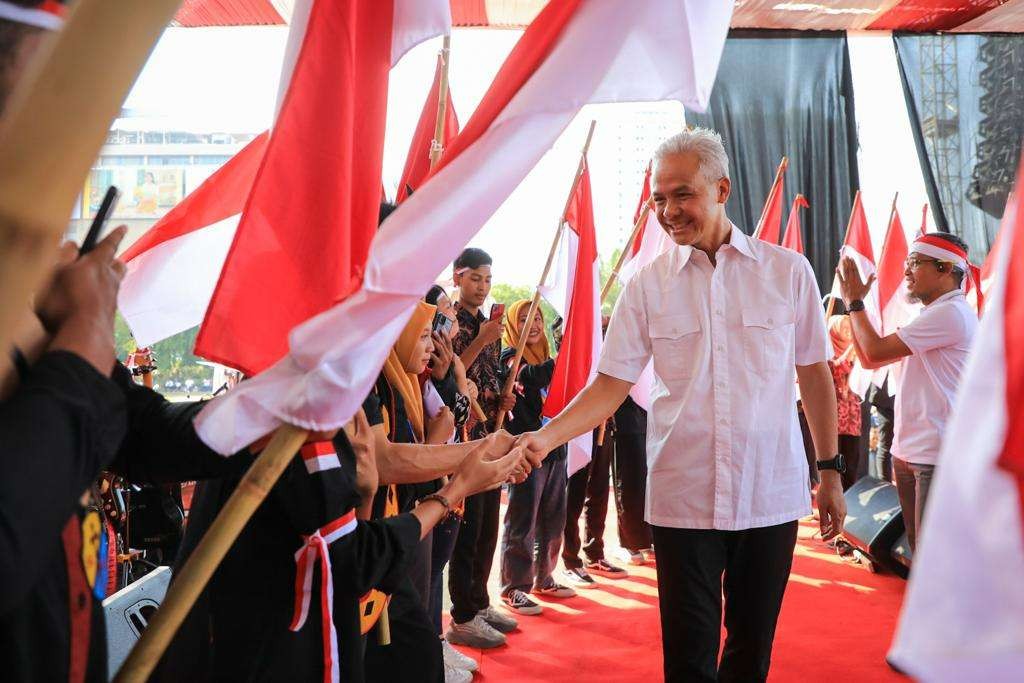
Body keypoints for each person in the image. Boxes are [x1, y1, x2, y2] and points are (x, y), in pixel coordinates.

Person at [517, 128, 845, 683]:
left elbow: (813, 372)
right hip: (683, 497)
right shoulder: (646, 287)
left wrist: (832, 471)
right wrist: (543, 438)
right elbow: (610, 384)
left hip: (768, 493)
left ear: (722, 189)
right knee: (688, 659)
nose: (668, 211)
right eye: (658, 198)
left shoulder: (788, 272)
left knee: (750, 650)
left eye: (681, 194)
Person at [839, 232, 978, 552]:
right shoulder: (933, 314)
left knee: (933, 556)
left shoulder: (951, 313)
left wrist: (855, 303)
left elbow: (873, 351)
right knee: (920, 550)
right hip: (913, 450)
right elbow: (868, 356)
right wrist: (852, 306)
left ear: (945, 269)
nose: (906, 271)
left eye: (916, 262)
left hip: (936, 454)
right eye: (907, 262)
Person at [447, 248, 518, 648]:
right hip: (463, 439)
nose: (483, 286)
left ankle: (480, 600)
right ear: (458, 278)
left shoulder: (488, 324)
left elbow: (490, 377)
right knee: (468, 528)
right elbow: (450, 373)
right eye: (476, 278)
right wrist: (481, 340)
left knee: (489, 524)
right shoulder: (451, 321)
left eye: (488, 279)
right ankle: (462, 615)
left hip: (491, 432)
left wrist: (502, 398)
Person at [498, 300, 575, 615]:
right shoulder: (509, 359)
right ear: (515, 325)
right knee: (523, 519)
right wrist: (566, 355)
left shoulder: (548, 358)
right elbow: (531, 377)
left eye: (538, 318)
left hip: (556, 446)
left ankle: (545, 576)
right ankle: (514, 586)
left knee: (553, 518)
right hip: (526, 449)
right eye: (526, 319)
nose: (533, 325)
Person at [828, 314, 862, 490]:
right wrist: (850, 352)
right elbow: (835, 368)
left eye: (850, 328)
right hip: (833, 418)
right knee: (835, 462)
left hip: (851, 417)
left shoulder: (856, 351)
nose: (849, 333)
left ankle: (850, 497)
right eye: (844, 329)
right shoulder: (826, 350)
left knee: (851, 461)